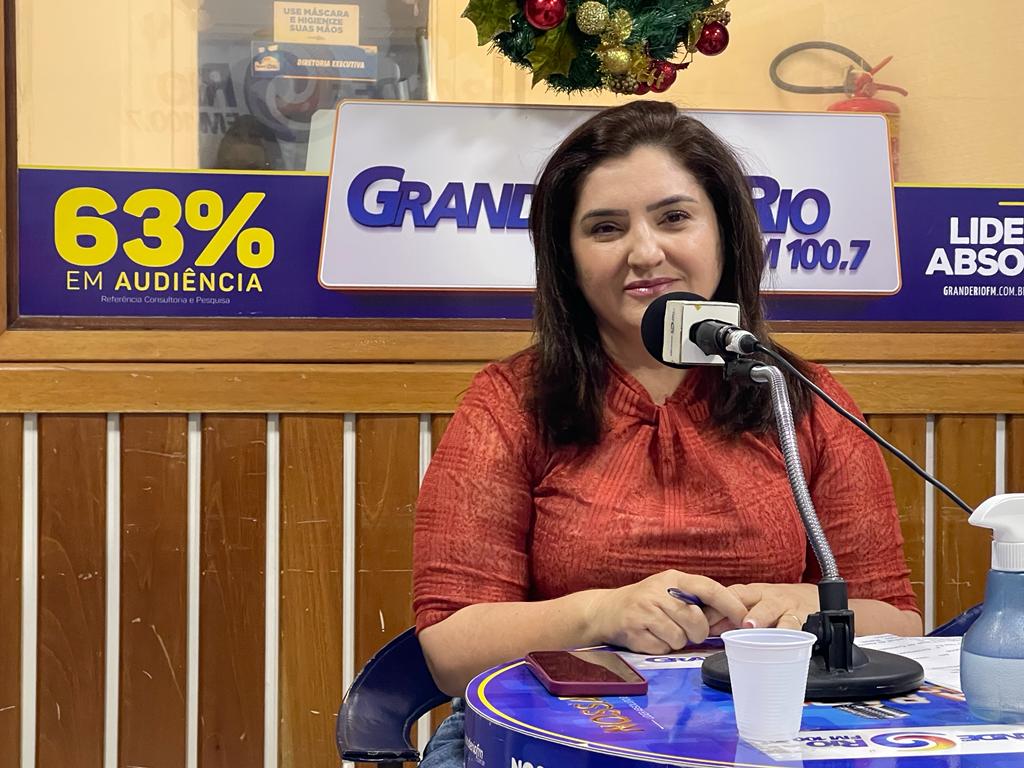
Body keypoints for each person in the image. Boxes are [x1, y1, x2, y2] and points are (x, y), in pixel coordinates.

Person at [412, 100, 921, 767]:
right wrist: (599, 616)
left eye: (674, 217)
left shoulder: (799, 397)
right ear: (566, 257)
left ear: (725, 232)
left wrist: (810, 611)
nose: (645, 252)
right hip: (554, 739)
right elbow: (449, 650)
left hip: (766, 734)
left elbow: (902, 624)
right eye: (605, 228)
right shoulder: (510, 402)